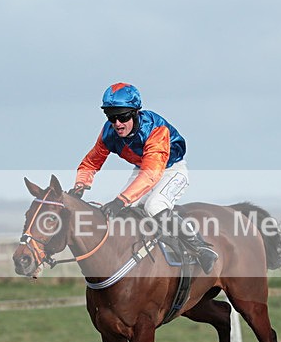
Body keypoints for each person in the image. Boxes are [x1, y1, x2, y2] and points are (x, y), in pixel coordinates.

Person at [68, 82, 218, 274]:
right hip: (143, 168)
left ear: (135, 113)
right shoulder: (109, 132)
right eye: (111, 117)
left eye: (122, 117)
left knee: (153, 206)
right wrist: (80, 185)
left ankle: (199, 247)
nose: (117, 124)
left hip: (171, 170)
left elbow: (151, 175)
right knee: (126, 208)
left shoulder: (155, 130)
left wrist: (120, 200)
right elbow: (91, 162)